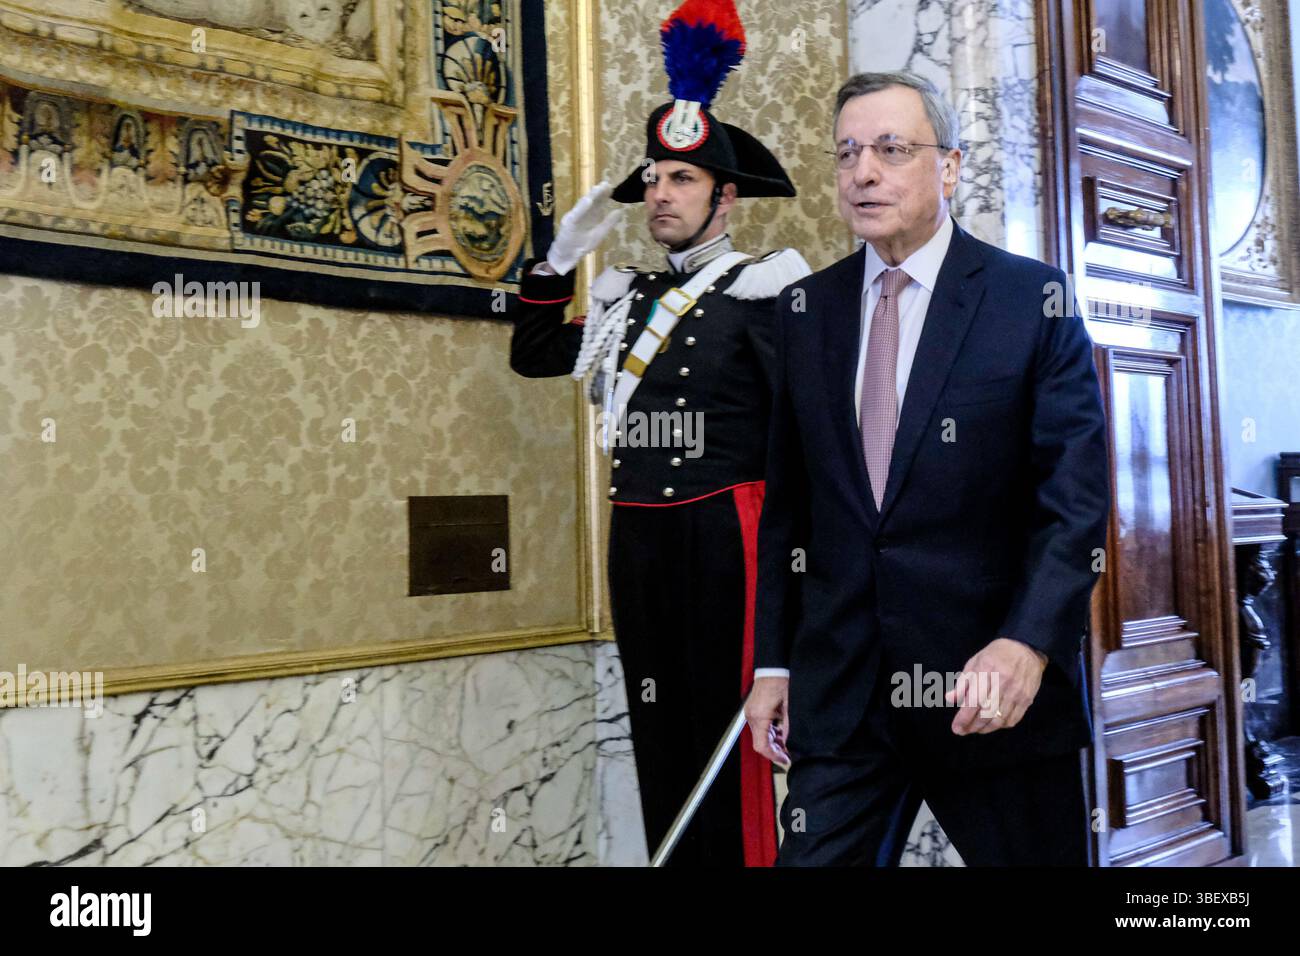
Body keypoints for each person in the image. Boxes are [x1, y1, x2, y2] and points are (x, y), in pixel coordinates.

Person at [745, 70, 1111, 866]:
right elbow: (789, 509)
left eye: (890, 149)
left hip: (991, 693)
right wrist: (773, 661)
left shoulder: (1031, 302)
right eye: (846, 153)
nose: (863, 172)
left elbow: (1073, 504)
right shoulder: (805, 314)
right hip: (843, 699)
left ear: (948, 167)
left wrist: (1028, 643)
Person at [509, 0, 810, 866]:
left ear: (726, 197)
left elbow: (806, 434)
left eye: (681, 180)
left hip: (728, 532)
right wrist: (558, 262)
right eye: (655, 180)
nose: (660, 196)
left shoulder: (765, 291)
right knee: (660, 725)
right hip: (639, 530)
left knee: (733, 740)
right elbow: (535, 356)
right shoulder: (626, 299)